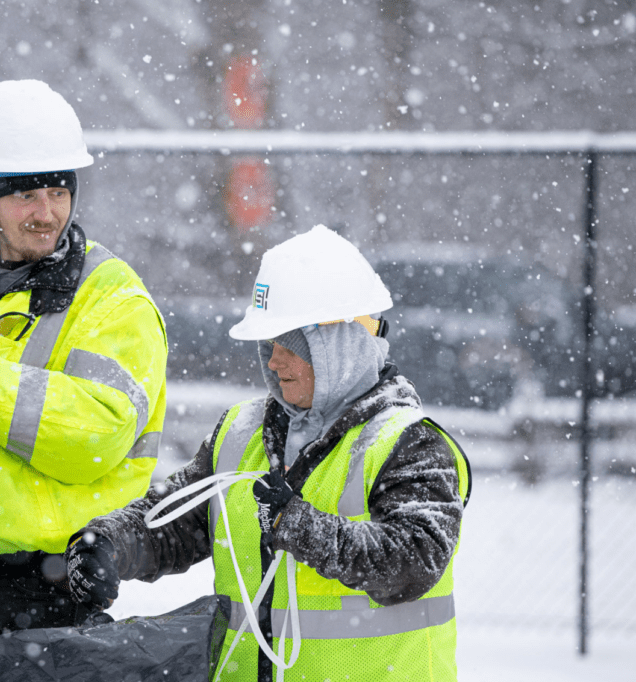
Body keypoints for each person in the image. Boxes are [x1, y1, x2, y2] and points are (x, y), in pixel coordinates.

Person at [66, 225, 471, 681]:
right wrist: (109, 543)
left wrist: (296, 524)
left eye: (291, 345)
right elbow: (176, 522)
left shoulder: (408, 444)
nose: (274, 362)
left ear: (341, 345)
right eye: (268, 345)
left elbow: (413, 561)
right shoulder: (241, 433)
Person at [0, 79, 169, 643]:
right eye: (26, 195)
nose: (46, 213)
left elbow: (98, 431)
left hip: (48, 594)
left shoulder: (112, 298)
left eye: (59, 192)